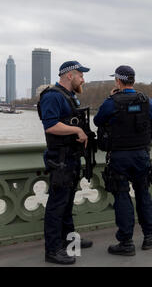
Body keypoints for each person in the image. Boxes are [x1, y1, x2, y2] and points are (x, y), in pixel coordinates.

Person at [94, 65, 152, 256]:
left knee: (122, 197)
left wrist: (111, 98)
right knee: (143, 194)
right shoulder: (146, 101)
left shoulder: (111, 102)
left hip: (119, 156)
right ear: (132, 80)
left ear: (118, 81)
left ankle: (126, 242)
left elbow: (98, 121)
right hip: (141, 155)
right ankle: (149, 237)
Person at [37, 60, 93, 265]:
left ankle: (69, 240)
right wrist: (77, 130)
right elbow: (50, 126)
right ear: (70, 75)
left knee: (67, 202)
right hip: (60, 158)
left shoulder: (69, 97)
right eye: (81, 75)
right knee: (57, 204)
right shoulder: (53, 96)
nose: (83, 79)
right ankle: (52, 250)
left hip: (71, 156)